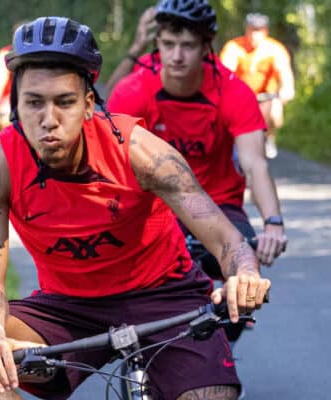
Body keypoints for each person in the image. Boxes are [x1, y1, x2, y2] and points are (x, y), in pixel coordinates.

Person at [0, 16, 271, 400]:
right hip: (67, 308)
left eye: (64, 102)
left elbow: (226, 238)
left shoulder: (141, 152)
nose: (49, 120)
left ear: (87, 105)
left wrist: (244, 273)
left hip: (163, 296)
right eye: (33, 103)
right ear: (16, 104)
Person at [106, 0, 287, 346]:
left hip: (218, 206)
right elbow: (110, 162)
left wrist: (273, 223)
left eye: (187, 46)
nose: (176, 56)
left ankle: (219, 351)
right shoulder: (135, 88)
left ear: (206, 48)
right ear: (157, 42)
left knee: (243, 277)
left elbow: (254, 163)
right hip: (150, 206)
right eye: (168, 44)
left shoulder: (233, 91)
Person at [220, 13, 295, 159]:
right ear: (246, 30)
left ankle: (268, 138)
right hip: (241, 96)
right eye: (251, 30)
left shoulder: (275, 49)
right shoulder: (235, 46)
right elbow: (225, 72)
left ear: (265, 31)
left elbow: (285, 73)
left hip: (266, 97)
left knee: (274, 112)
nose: (254, 35)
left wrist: (286, 90)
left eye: (258, 31)